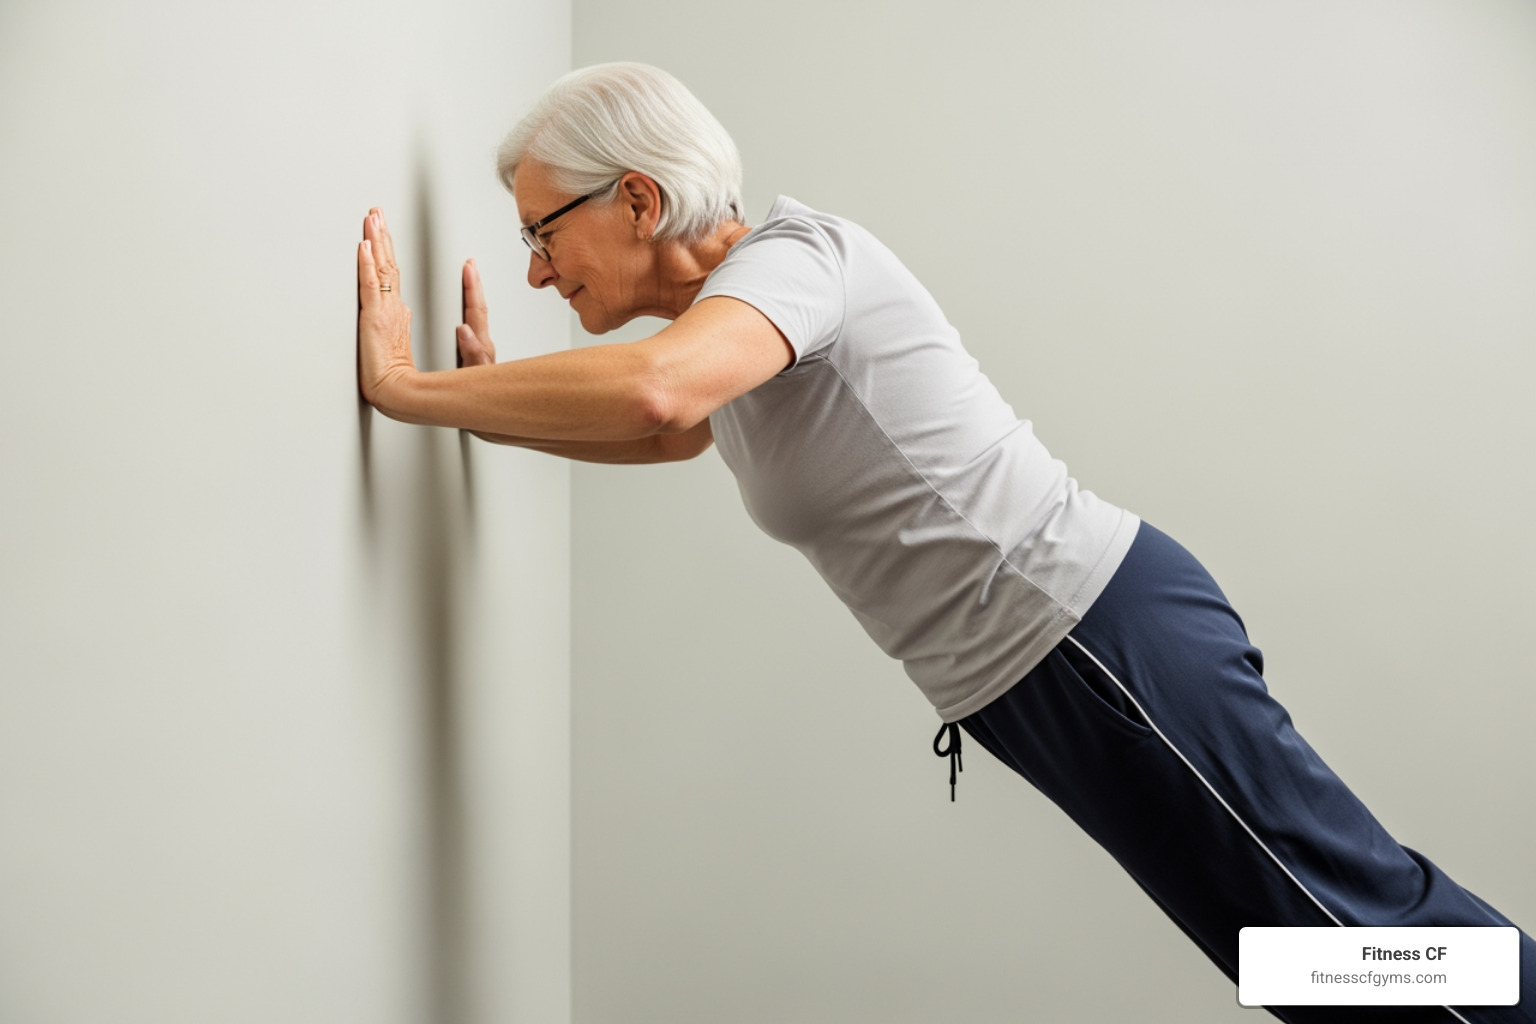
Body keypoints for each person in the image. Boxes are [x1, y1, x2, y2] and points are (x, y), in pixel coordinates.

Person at [355, 62, 1533, 1022]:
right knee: (1287, 954)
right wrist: (494, 400)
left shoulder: (795, 266)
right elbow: (663, 437)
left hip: (1097, 643)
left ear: (639, 202)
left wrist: (409, 391)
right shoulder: (740, 337)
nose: (533, 266)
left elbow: (656, 399)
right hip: (1060, 675)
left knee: (1342, 932)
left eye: (542, 232)